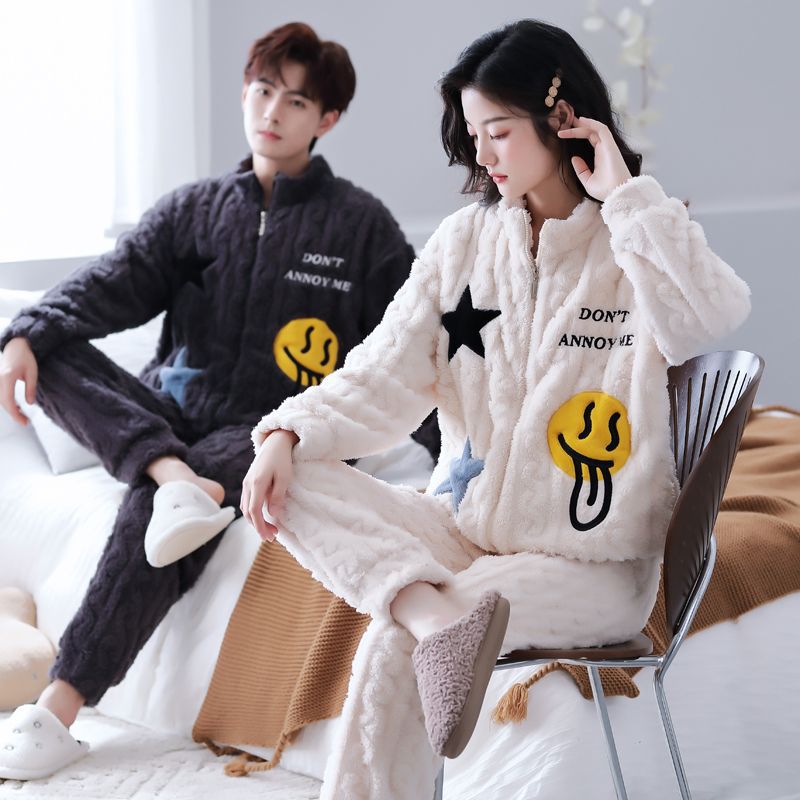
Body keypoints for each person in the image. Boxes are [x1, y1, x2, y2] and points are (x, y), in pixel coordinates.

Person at [239, 18, 751, 791]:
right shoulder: (463, 243)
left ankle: (433, 622)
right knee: (289, 473)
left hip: (590, 565)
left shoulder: (635, 238)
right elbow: (379, 375)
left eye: (500, 133)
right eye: (474, 135)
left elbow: (709, 319)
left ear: (562, 120)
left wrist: (625, 196)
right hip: (463, 531)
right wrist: (285, 435)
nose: (482, 154)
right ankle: (436, 617)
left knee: (392, 646)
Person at [0, 22, 432, 781]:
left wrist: (452, 448)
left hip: (269, 428)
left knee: (156, 514)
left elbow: (410, 342)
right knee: (51, 345)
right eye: (263, 90)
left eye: (296, 101)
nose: (273, 111)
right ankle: (172, 475)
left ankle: (58, 710)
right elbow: (110, 283)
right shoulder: (193, 210)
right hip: (170, 416)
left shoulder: (361, 228)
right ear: (244, 91)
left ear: (326, 119)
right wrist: (26, 334)